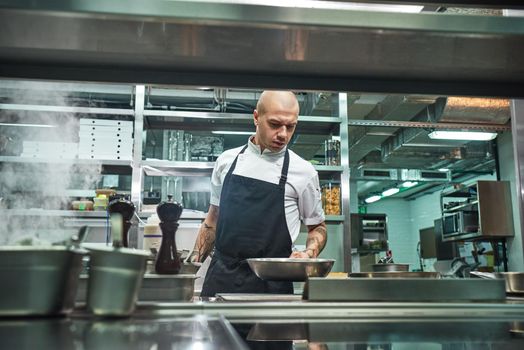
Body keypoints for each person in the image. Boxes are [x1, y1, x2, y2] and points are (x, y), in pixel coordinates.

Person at [191, 90, 327, 297]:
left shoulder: (304, 172)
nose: (283, 134)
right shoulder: (226, 161)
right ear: (256, 117)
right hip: (221, 280)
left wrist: (309, 254)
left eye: (290, 127)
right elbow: (212, 220)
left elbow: (317, 227)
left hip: (272, 287)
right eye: (275, 124)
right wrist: (190, 267)